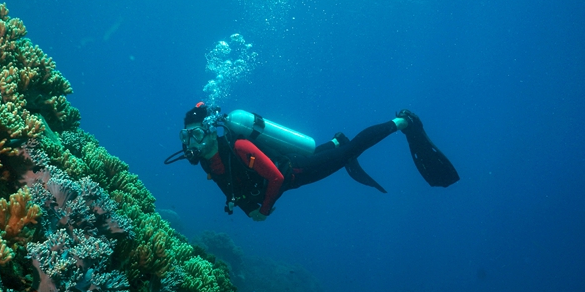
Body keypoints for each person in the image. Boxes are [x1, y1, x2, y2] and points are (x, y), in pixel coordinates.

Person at [165, 102, 459, 221]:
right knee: (335, 150)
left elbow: (277, 179)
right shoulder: (205, 158)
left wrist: (263, 211)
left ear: (212, 129)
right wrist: (244, 206)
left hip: (295, 173)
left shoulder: (240, 147)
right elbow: (228, 185)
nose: (194, 143)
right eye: (187, 136)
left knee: (350, 152)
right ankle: (334, 142)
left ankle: (402, 122)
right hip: (287, 165)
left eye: (199, 133)